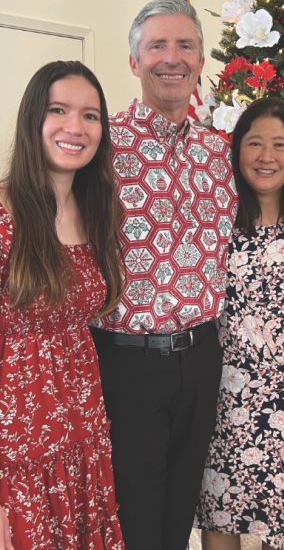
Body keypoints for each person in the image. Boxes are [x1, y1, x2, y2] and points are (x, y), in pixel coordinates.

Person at [90, 0, 237, 550]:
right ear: (134, 61)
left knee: (180, 515)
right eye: (157, 45)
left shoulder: (220, 152)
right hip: (127, 362)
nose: (171, 58)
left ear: (201, 61)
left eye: (185, 46)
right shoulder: (101, 144)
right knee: (132, 517)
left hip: (202, 358)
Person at [0, 60, 124, 549]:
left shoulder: (96, 212)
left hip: (82, 436)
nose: (76, 127)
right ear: (34, 120)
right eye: (59, 110)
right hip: (18, 451)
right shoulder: (4, 215)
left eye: (90, 115)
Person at [195, 97, 284, 550]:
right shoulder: (216, 218)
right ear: (237, 150)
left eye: (280, 145)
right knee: (221, 507)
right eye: (255, 143)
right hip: (224, 390)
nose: (267, 157)